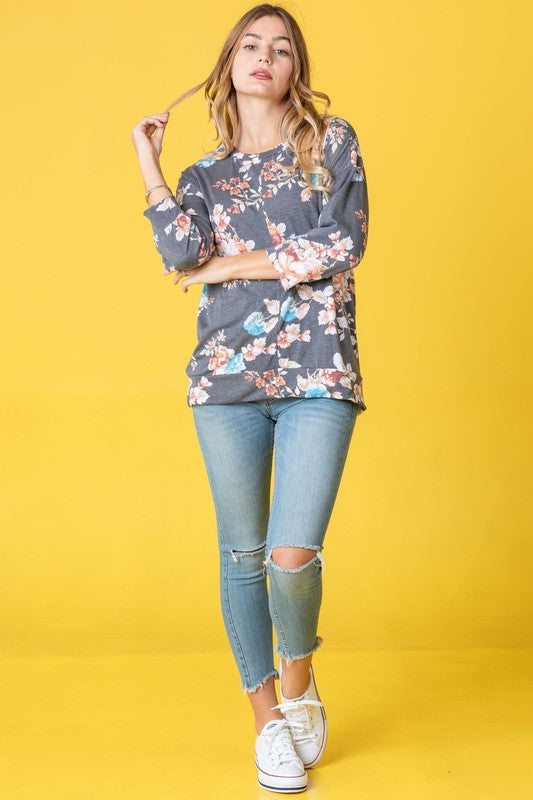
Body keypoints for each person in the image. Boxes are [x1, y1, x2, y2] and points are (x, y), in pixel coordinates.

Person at [131, 3, 369, 793]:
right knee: (240, 556)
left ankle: (298, 684)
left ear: (296, 68)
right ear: (228, 64)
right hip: (224, 380)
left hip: (317, 373)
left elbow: (342, 244)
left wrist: (229, 268)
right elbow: (177, 253)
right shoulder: (204, 177)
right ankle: (266, 719)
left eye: (281, 49)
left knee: (289, 554)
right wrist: (150, 166)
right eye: (250, 46)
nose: (265, 58)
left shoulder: (328, 145)